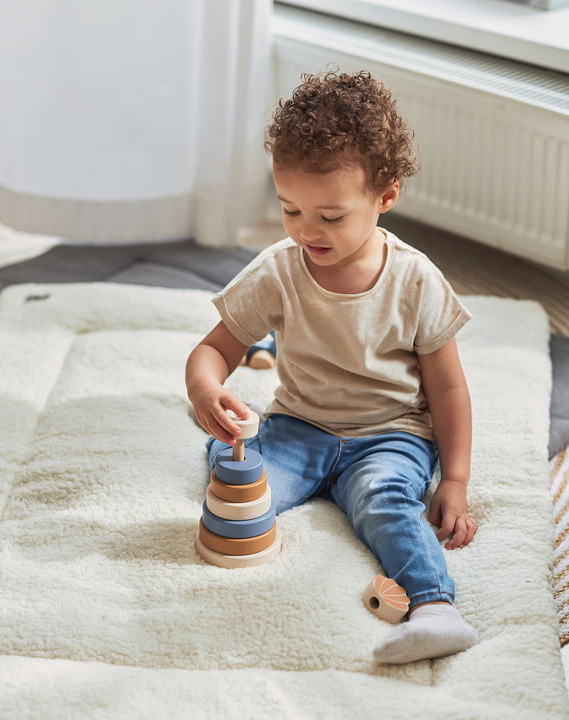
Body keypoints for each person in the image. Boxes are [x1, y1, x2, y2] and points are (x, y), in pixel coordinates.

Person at [185, 70, 480, 664]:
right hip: (300, 425)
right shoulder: (278, 268)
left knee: (384, 501)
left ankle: (435, 608)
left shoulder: (415, 279)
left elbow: (448, 386)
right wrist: (205, 390)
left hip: (390, 433)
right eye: (290, 209)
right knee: (237, 478)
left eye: (330, 215)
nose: (305, 230)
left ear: (385, 197)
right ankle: (237, 454)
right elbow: (212, 349)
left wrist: (455, 479)